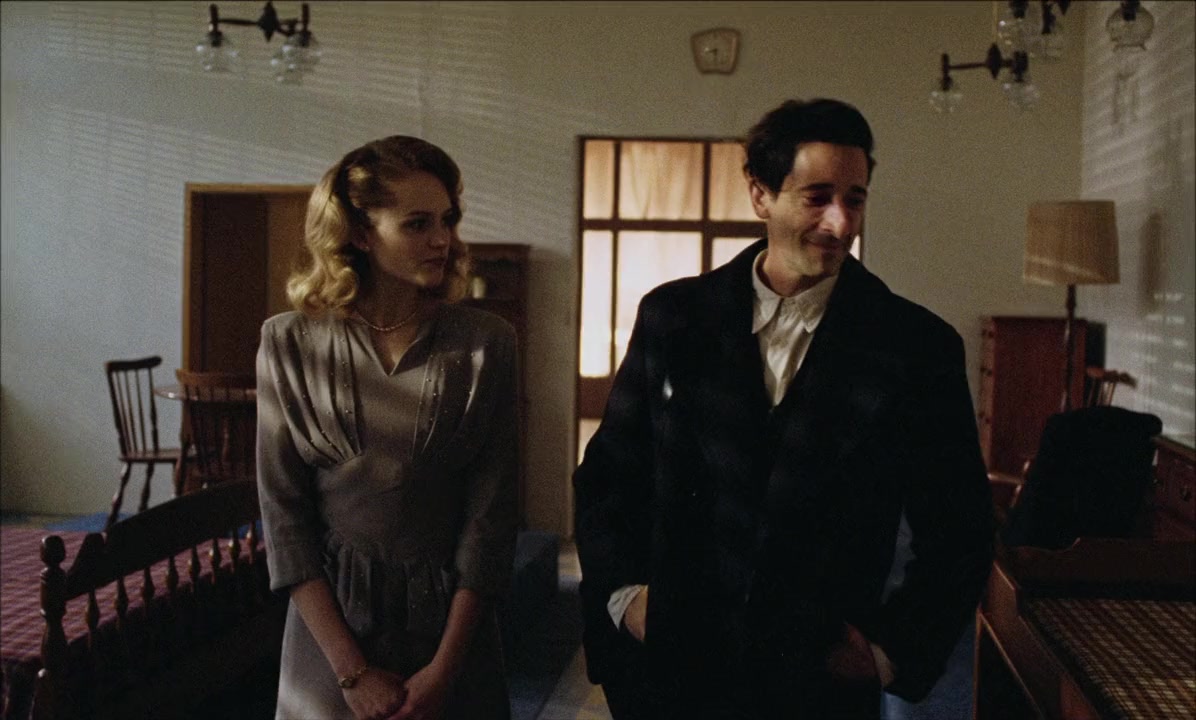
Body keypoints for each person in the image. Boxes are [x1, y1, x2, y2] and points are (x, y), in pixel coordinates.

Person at [572, 98, 995, 719]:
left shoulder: (917, 346)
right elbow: (610, 475)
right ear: (760, 194)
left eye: (855, 199)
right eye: (817, 197)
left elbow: (960, 527)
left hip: (817, 685)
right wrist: (626, 598)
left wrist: (887, 652)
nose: (840, 223)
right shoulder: (673, 318)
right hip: (673, 673)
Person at [256, 135, 519, 720]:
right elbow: (284, 516)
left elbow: (492, 518)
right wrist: (351, 672)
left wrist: (445, 670)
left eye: (447, 220)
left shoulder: (485, 343)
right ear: (360, 233)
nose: (442, 239)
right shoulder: (288, 342)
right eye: (417, 223)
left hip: (450, 633)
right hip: (331, 635)